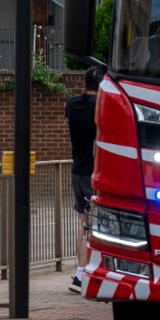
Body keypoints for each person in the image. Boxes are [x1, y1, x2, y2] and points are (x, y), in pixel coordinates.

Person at [65, 66, 101, 293]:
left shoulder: (72, 104)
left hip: (77, 170)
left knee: (85, 226)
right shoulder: (102, 106)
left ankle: (81, 274)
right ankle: (87, 276)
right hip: (95, 173)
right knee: (97, 228)